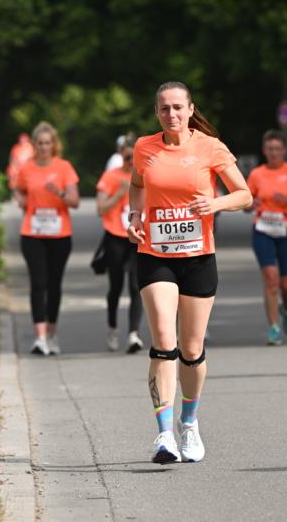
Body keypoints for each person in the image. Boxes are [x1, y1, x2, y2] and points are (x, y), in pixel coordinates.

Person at [127, 81, 252, 464]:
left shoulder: (210, 147)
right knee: (164, 340)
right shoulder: (144, 148)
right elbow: (136, 185)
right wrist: (134, 214)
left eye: (178, 107)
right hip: (155, 254)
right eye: (164, 108)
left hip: (198, 256)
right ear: (156, 112)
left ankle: (189, 422)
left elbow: (245, 194)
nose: (172, 114)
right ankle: (164, 434)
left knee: (192, 349)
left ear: (190, 108)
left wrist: (214, 204)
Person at [15, 122, 80, 355]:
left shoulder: (64, 168)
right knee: (38, 282)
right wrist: (20, 199)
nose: (43, 147)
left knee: (54, 285)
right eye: (40, 143)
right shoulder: (27, 168)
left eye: (47, 142)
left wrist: (59, 193)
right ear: (34, 145)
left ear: (54, 144)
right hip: (32, 233)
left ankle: (52, 332)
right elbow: (18, 188)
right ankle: (40, 337)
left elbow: (75, 201)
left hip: (59, 234)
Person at [246, 130, 287, 344]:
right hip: (263, 229)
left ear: (284, 150)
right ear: (264, 151)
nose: (273, 153)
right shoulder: (256, 174)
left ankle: (286, 309)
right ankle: (273, 327)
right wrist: (250, 204)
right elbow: (246, 202)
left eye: (277, 149)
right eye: (270, 149)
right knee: (271, 280)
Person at [95, 136, 144, 354]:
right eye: (127, 157)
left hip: (138, 237)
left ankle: (133, 334)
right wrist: (120, 193)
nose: (130, 161)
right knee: (115, 287)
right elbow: (100, 209)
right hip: (115, 236)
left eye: (135, 157)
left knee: (136, 286)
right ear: (120, 155)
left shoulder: (145, 176)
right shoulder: (111, 176)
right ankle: (112, 328)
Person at [6, 132, 34, 197]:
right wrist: (13, 167)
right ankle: (15, 196)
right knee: (14, 182)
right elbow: (12, 158)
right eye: (21, 139)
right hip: (16, 169)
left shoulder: (30, 147)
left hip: (26, 169)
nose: (22, 141)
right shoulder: (16, 147)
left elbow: (32, 159)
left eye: (24, 139)